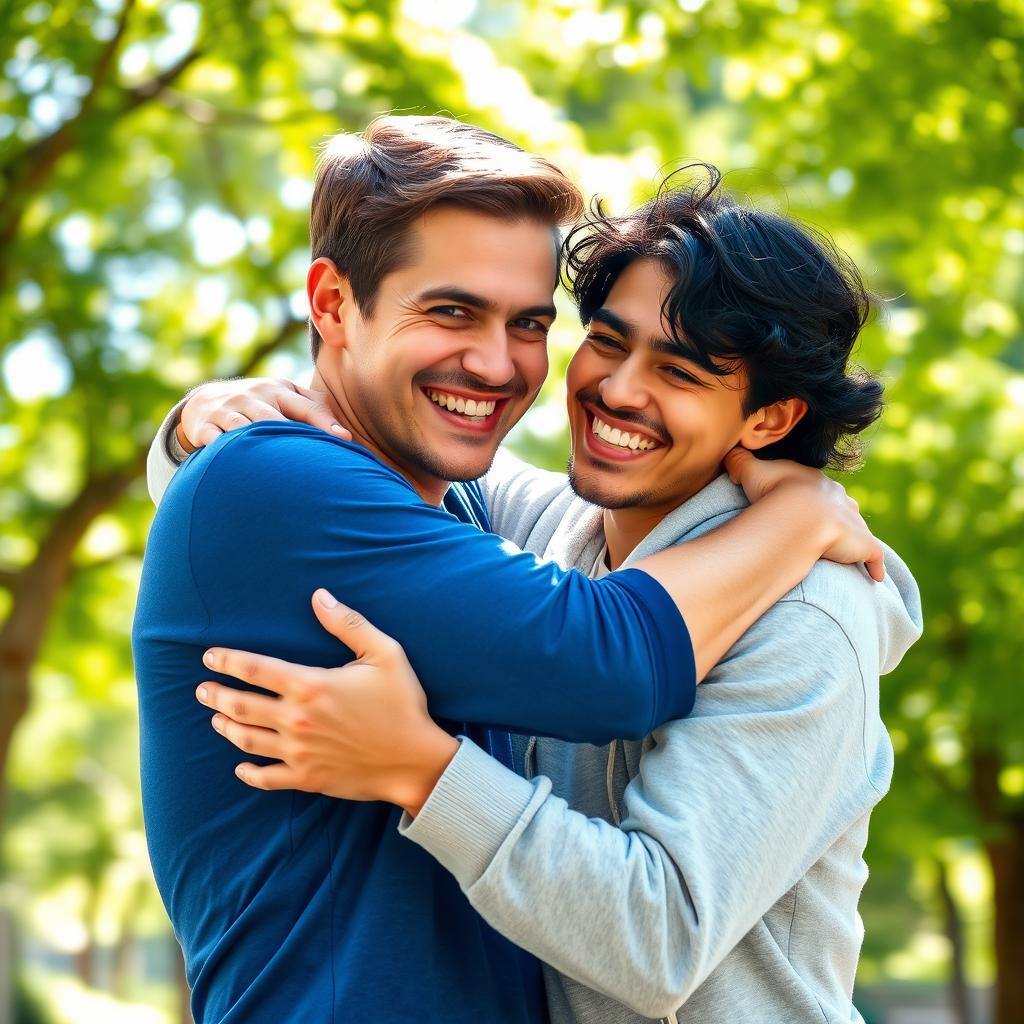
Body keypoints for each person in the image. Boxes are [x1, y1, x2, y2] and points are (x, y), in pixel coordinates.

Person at [136, 117, 883, 1024]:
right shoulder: (295, 482)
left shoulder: (485, 519)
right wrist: (194, 429)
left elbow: (659, 936)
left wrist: (423, 768)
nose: (497, 364)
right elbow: (612, 658)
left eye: (528, 323)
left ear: (768, 419)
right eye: (451, 310)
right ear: (332, 305)